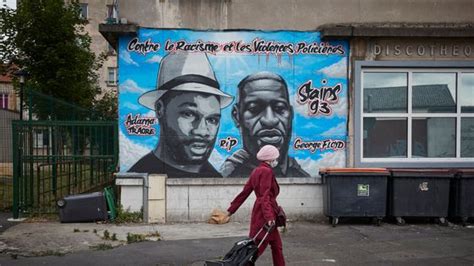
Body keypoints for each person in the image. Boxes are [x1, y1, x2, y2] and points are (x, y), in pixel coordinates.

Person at [128, 52, 233, 177]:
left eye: (212, 120)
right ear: (160, 109)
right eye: (189, 114)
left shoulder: (215, 178)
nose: (202, 131)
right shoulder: (141, 175)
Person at [221, 71, 310, 178]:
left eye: (280, 108)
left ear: (290, 115)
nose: (270, 120)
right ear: (236, 116)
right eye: (254, 109)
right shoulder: (229, 174)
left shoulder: (300, 176)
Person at [226, 145, 286, 266]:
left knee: (276, 246)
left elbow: (245, 192)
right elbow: (265, 197)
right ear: (271, 159)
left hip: (261, 212)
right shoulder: (266, 171)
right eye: (275, 157)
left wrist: (231, 210)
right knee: (255, 249)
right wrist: (269, 218)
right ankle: (238, 263)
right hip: (265, 215)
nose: (276, 160)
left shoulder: (256, 170)